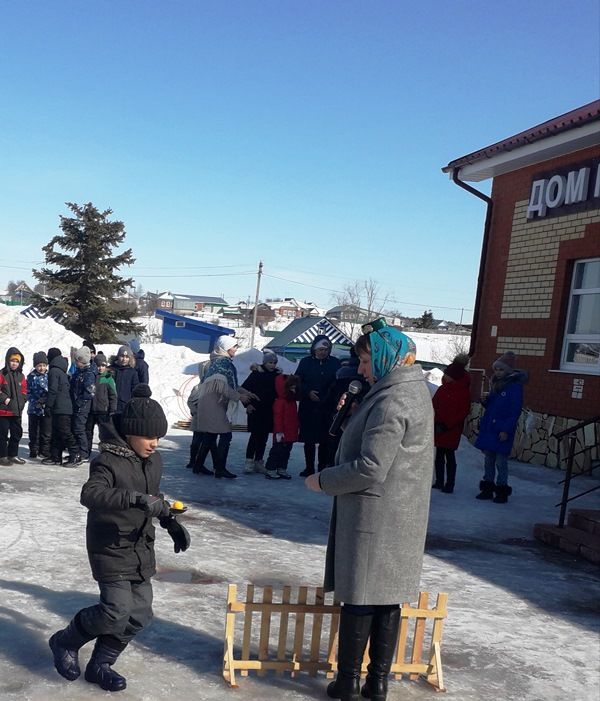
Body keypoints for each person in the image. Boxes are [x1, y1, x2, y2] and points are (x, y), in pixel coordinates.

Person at [305, 320, 433, 701]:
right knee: (386, 598)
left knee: (361, 597)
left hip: (376, 516)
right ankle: (377, 683)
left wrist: (323, 480)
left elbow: (371, 467)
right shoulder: (408, 391)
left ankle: (347, 683)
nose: (360, 369)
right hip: (400, 516)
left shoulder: (393, 399)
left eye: (364, 360)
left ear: (384, 356)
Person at [48, 384, 191, 692]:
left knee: (139, 613)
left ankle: (100, 665)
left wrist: (169, 520)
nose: (154, 444)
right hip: (109, 545)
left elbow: (153, 497)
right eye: (148, 437)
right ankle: (65, 640)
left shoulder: (154, 461)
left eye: (158, 438)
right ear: (129, 433)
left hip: (141, 546)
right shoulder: (107, 461)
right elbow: (91, 494)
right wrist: (137, 499)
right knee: (115, 611)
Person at [192, 335, 257, 479]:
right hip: (214, 404)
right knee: (226, 435)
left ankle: (198, 465)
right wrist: (239, 397)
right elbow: (222, 386)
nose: (236, 349)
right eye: (234, 346)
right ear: (226, 348)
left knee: (210, 435)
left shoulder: (218, 362)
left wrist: (246, 392)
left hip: (210, 402)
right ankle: (220, 468)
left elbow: (230, 384)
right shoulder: (223, 363)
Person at [475, 351, 527, 504]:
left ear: (508, 371)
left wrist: (506, 430)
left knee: (500, 461)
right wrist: (485, 401)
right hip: (490, 428)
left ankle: (501, 490)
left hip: (501, 430)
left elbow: (514, 411)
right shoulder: (496, 385)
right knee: (488, 459)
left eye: (501, 369)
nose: (497, 372)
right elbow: (493, 406)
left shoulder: (514, 388)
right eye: (496, 369)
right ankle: (487, 488)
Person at [294, 335, 341, 476]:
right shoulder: (305, 362)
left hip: (327, 407)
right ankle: (309, 467)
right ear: (314, 349)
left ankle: (322, 466)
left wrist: (329, 395)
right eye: (320, 349)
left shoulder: (335, 363)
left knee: (325, 440)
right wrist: (307, 392)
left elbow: (337, 383)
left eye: (326, 349)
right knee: (309, 440)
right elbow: (297, 381)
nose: (323, 352)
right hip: (309, 406)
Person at [431, 354, 471, 493]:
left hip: (451, 429)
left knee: (450, 457)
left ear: (453, 376)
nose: (444, 376)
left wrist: (447, 424)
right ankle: (440, 481)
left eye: (447, 374)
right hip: (440, 427)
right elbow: (434, 405)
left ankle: (450, 483)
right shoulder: (442, 389)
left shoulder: (463, 392)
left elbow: (463, 412)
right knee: (439, 456)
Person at [241, 350, 280, 474]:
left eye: (274, 363)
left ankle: (259, 461)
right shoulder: (256, 374)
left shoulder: (277, 376)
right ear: (264, 362)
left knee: (263, 437)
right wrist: (247, 404)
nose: (272, 365)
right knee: (255, 436)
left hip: (269, 411)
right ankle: (249, 461)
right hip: (256, 409)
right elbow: (243, 389)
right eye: (270, 362)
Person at [43, 351, 80, 467]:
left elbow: (53, 390)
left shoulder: (54, 371)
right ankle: (55, 456)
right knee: (57, 432)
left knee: (65, 432)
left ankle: (75, 453)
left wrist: (48, 405)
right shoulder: (61, 371)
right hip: (63, 407)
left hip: (61, 407)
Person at [264, 373, 300, 480]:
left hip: (290, 432)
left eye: (295, 388)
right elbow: (278, 418)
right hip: (282, 433)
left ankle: (281, 468)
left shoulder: (291, 401)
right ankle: (270, 469)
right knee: (277, 451)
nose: (294, 390)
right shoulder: (280, 402)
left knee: (286, 452)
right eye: (291, 388)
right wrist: (279, 431)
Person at [85, 352, 118, 456]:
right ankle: (86, 452)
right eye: (98, 366)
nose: (100, 368)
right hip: (90, 410)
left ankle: (105, 452)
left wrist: (112, 409)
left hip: (103, 410)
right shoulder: (91, 376)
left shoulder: (108, 377)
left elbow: (113, 395)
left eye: (103, 366)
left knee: (104, 433)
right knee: (87, 432)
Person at [0, 347, 28, 466]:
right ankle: (2, 456)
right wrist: (5, 399)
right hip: (4, 411)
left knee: (16, 434)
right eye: (12, 361)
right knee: (2, 434)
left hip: (16, 411)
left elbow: (24, 391)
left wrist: (23, 400)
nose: (14, 363)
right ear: (8, 361)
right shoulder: (2, 374)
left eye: (17, 361)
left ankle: (13, 454)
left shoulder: (21, 376)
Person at [70, 346, 97, 463]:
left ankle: (84, 453)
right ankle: (77, 452)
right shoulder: (79, 372)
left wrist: (80, 402)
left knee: (79, 428)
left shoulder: (89, 374)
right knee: (75, 428)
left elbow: (90, 392)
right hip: (77, 404)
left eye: (78, 361)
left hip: (83, 405)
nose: (76, 363)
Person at [26, 351, 51, 459]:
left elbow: (52, 391)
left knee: (45, 432)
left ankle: (44, 450)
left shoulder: (49, 376)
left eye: (44, 365)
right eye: (39, 366)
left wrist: (46, 400)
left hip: (45, 409)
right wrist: (35, 402)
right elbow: (27, 392)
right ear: (35, 366)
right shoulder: (31, 377)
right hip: (33, 409)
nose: (42, 368)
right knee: (33, 432)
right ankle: (33, 449)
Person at [109, 345, 139, 414]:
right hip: (111, 405)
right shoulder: (111, 370)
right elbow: (104, 385)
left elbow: (135, 389)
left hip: (125, 406)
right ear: (118, 356)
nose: (124, 359)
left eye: (127, 357)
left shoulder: (132, 373)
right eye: (122, 356)